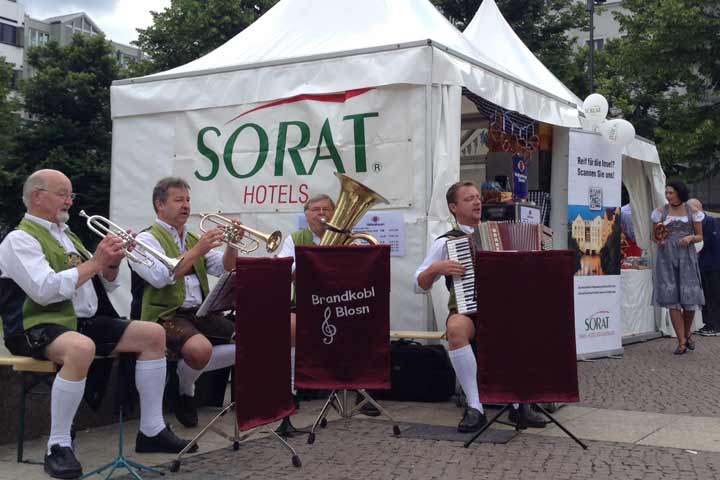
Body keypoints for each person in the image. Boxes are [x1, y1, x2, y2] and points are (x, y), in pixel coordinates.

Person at [0, 170, 194, 480]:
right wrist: (96, 262)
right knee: (81, 347)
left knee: (153, 334)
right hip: (34, 325)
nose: (70, 200)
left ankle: (152, 429)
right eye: (63, 193)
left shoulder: (67, 235)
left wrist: (112, 262)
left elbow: (105, 283)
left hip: (79, 321)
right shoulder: (19, 239)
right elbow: (45, 290)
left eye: (70, 194)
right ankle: (58, 445)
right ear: (37, 196)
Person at [414, 181, 546, 432]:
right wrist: (435, 269)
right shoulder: (446, 243)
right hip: (470, 312)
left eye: (477, 197)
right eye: (468, 199)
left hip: (505, 312)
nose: (477, 202)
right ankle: (475, 406)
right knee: (455, 329)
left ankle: (520, 403)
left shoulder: (498, 232)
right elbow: (418, 285)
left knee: (529, 324)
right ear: (453, 207)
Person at [130, 177, 239, 428]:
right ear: (159, 205)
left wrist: (232, 245)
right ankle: (185, 390)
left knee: (249, 341)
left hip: (199, 312)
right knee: (200, 350)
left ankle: (183, 376)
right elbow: (160, 277)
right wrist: (198, 250)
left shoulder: (191, 239)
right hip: (165, 315)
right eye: (179, 200)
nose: (186, 206)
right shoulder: (145, 240)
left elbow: (226, 268)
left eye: (188, 200)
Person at [276, 193, 335, 396]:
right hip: (305, 302)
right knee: (290, 326)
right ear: (306, 214)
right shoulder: (295, 239)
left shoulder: (346, 236)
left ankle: (359, 384)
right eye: (315, 209)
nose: (321, 213)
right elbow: (284, 270)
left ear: (334, 213)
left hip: (339, 303)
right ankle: (293, 387)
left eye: (325, 209)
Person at [651, 181, 705, 354]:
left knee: (689, 298)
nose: (667, 196)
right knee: (672, 298)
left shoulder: (692, 212)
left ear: (679, 193)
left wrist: (690, 238)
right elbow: (655, 235)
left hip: (686, 257)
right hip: (666, 257)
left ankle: (687, 333)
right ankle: (681, 341)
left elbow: (700, 236)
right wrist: (659, 241)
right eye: (666, 193)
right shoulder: (660, 212)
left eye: (671, 193)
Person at [687, 199, 720, 337]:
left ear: (697, 208)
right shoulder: (696, 223)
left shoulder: (711, 222)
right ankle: (708, 323)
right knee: (706, 295)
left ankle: (714, 325)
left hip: (713, 264)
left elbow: (712, 242)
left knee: (713, 295)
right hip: (703, 264)